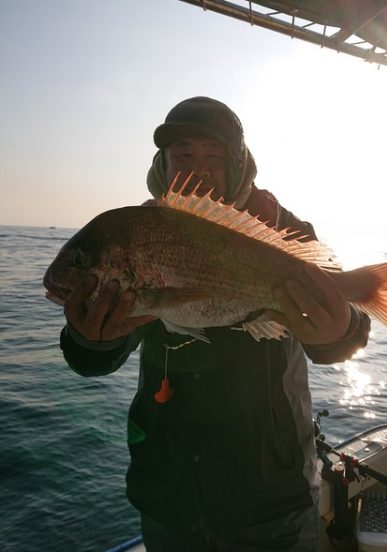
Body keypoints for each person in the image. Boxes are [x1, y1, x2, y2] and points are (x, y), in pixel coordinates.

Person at [60, 97, 371, 551]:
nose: (197, 169)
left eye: (213, 156)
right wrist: (90, 342)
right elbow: (94, 360)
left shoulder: (284, 231)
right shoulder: (138, 236)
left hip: (272, 501)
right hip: (169, 497)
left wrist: (339, 330)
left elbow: (345, 334)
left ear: (238, 163)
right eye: (183, 155)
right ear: (163, 164)